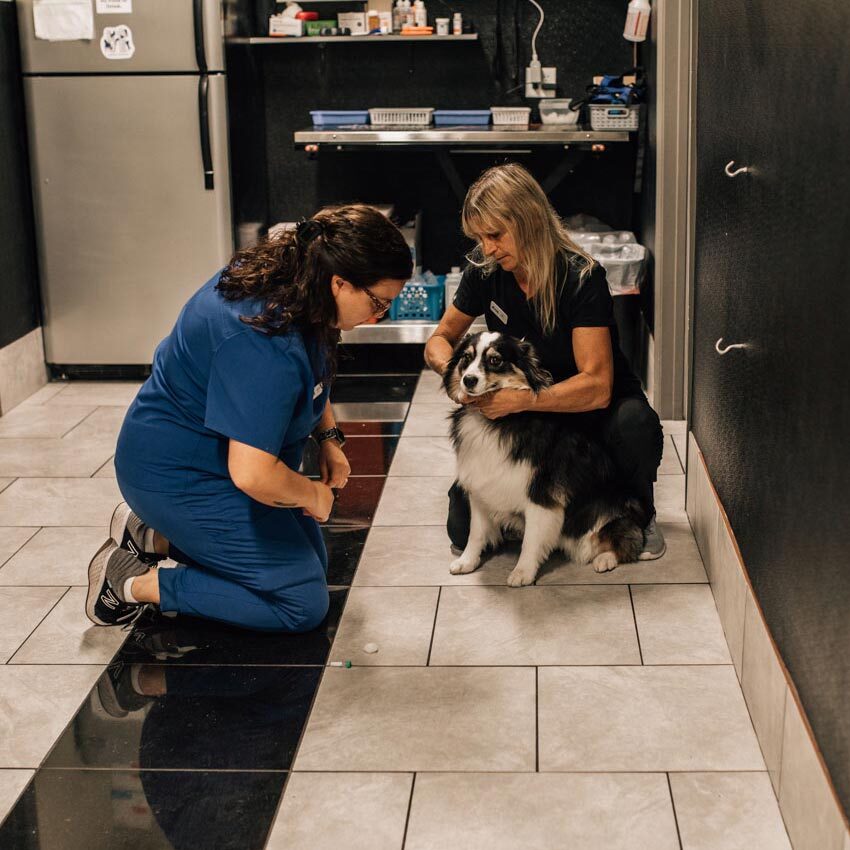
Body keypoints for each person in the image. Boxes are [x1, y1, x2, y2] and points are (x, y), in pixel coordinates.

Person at [86, 204, 412, 632]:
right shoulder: (262, 339)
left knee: (313, 560)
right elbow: (254, 475)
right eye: (379, 302)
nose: (378, 316)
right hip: (179, 476)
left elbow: (314, 367)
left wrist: (328, 437)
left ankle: (152, 535)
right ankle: (132, 581)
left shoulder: (303, 279)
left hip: (220, 461)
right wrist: (313, 495)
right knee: (299, 602)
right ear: (340, 283)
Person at [424, 163, 666, 559]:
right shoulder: (485, 270)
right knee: (461, 528)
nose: (486, 248)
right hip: (531, 421)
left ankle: (636, 516)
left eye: (495, 235)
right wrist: (456, 378)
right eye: (479, 238)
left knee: (634, 425)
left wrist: (521, 401)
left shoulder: (581, 277)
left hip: (588, 411)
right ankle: (540, 517)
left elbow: (597, 385)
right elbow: (440, 339)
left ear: (528, 221)